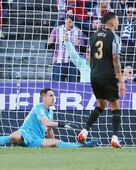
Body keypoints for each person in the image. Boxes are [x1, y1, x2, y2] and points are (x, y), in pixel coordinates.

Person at [77, 12, 126, 148]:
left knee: (101, 105)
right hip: (107, 75)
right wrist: (121, 81)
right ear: (111, 22)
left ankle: (84, 131)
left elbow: (90, 57)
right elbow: (115, 59)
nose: (118, 23)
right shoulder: (114, 37)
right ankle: (115, 138)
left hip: (95, 75)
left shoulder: (93, 36)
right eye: (117, 20)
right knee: (115, 105)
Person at [0, 88, 96, 148]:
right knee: (14, 136)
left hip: (36, 140)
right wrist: (63, 124)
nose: (53, 97)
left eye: (54, 95)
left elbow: (49, 129)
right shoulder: (39, 107)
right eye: (51, 95)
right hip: (26, 134)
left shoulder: (50, 112)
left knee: (56, 142)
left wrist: (51, 142)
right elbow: (45, 122)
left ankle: (80, 146)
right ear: (44, 97)